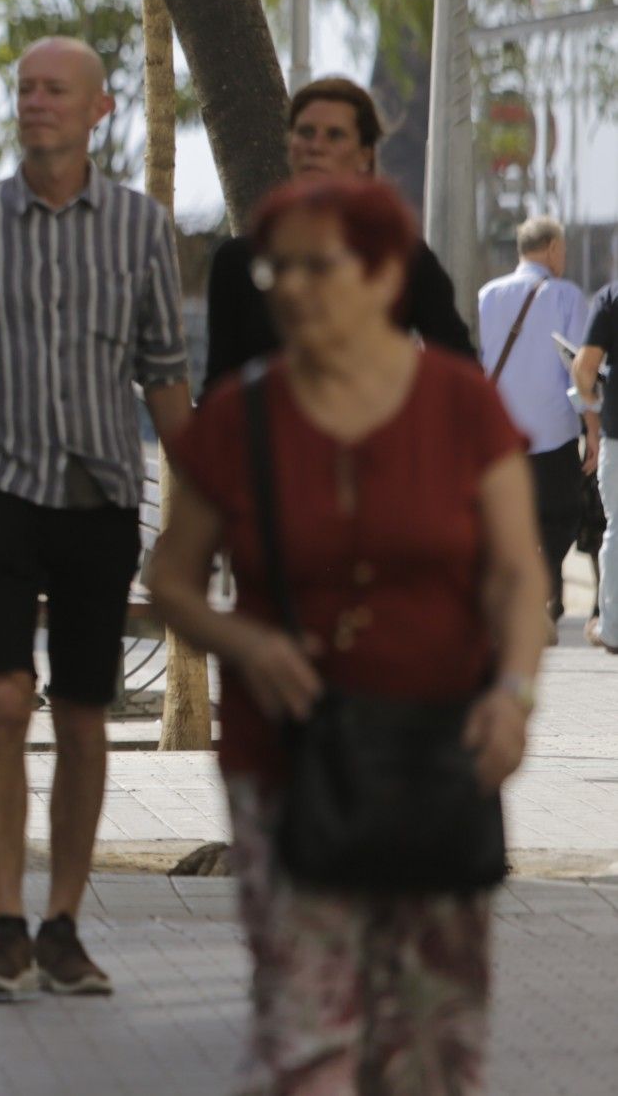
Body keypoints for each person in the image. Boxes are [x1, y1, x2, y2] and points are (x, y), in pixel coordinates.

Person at [150, 177, 546, 1090]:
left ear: (381, 276)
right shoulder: (246, 415)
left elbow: (519, 574)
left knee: (434, 1039)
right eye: (274, 267)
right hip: (285, 758)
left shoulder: (459, 405)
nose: (288, 285)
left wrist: (514, 695)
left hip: (441, 751)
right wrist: (245, 644)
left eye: (314, 265)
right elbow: (170, 575)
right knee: (308, 1030)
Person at [0, 38, 191, 1000]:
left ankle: (63, 922)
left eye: (55, 89)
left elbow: (167, 377)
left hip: (99, 498)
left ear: (100, 108)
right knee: (7, 698)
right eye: (24, 88)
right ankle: (4, 921)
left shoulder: (141, 229)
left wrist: (204, 512)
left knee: (87, 714)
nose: (35, 102)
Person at [204, 76, 474, 390]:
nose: (316, 146)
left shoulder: (402, 258)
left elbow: (463, 373)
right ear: (291, 146)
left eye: (335, 136)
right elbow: (218, 388)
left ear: (364, 155)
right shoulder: (238, 261)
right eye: (306, 132)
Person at [477, 214, 593, 642]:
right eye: (561, 249)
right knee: (561, 517)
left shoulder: (486, 295)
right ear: (552, 249)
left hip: (499, 435)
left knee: (503, 519)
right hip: (553, 433)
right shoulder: (567, 296)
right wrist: (593, 430)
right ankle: (534, 594)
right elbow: (582, 371)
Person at [569, 271, 618, 649]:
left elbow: (584, 368)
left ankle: (613, 627)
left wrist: (593, 402)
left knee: (616, 532)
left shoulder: (610, 298)